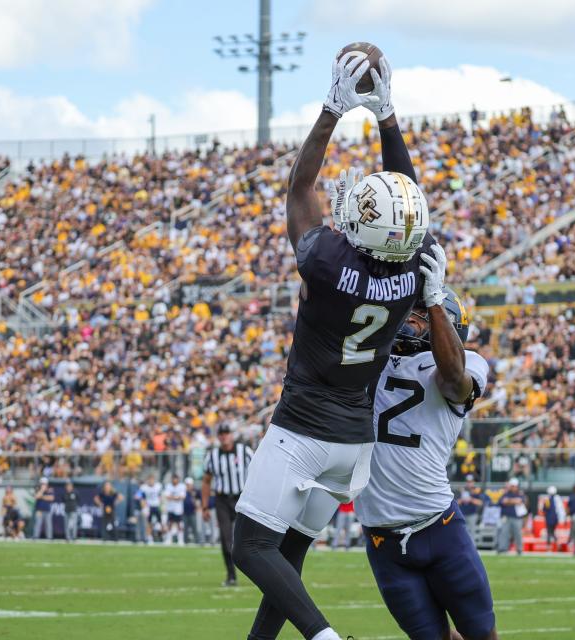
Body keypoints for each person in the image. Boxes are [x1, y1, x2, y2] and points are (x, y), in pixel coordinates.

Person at [234, 49, 435, 640]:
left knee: (250, 547)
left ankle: (324, 638)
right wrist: (387, 118)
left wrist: (332, 110)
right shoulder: (415, 271)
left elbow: (300, 188)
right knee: (287, 561)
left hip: (302, 429)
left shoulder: (326, 262)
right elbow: (409, 197)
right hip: (354, 445)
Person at [353, 288, 496, 640]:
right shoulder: (371, 357)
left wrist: (433, 301)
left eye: (420, 315)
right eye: (408, 311)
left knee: (482, 635)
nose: (408, 320)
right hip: (381, 539)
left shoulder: (467, 363)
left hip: (439, 528)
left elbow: (453, 383)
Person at [202, 425, 254, 586]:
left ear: (231, 435)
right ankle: (231, 576)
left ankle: (258, 573)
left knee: (247, 539)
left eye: (226, 434)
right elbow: (206, 481)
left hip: (242, 498)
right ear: (218, 437)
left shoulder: (244, 451)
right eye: (221, 434)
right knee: (226, 540)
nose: (224, 437)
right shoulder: (212, 456)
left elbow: (257, 471)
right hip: (222, 500)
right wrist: (204, 506)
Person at [138, 474, 163, 544]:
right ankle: (149, 538)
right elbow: (140, 498)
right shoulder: (144, 487)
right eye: (150, 480)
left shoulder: (158, 486)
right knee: (149, 523)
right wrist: (144, 507)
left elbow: (161, 497)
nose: (151, 481)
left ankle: (162, 537)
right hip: (149, 507)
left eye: (152, 480)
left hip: (156, 506)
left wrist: (161, 506)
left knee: (161, 523)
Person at [163, 474, 186, 545]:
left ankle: (180, 539)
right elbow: (167, 496)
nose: (175, 480)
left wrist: (173, 497)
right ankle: (169, 539)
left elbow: (182, 497)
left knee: (180, 524)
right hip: (170, 508)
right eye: (173, 479)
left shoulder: (182, 486)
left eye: (176, 479)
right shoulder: (168, 486)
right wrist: (176, 497)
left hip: (178, 509)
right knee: (169, 524)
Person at [183, 477, 201, 545]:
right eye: (187, 485)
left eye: (189, 484)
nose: (189, 486)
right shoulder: (183, 491)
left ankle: (197, 541)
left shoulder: (195, 491)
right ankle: (185, 541)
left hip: (193, 512)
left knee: (195, 527)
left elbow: (199, 500)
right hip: (185, 512)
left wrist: (197, 504)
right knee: (185, 528)